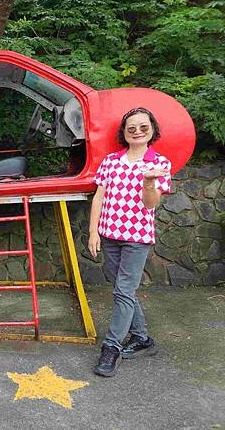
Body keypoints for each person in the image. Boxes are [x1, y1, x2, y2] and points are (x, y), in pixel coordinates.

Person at [88, 107, 171, 377]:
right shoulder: (111, 160)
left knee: (123, 291)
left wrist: (149, 182)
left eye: (143, 126)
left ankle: (111, 347)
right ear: (124, 132)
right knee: (122, 289)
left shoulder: (159, 163)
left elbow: (151, 204)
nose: (137, 131)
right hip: (109, 235)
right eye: (131, 127)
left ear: (152, 130)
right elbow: (99, 197)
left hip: (137, 238)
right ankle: (142, 338)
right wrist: (93, 232)